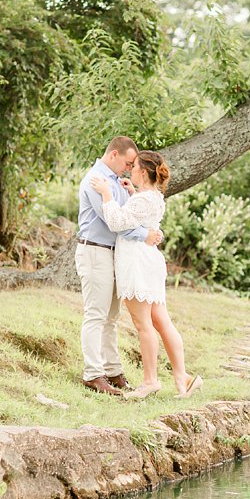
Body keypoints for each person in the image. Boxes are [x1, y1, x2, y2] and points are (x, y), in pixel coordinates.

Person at [88, 150, 202, 399]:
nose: (130, 170)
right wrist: (131, 193)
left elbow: (118, 223)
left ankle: (150, 381)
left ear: (142, 172)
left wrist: (107, 194)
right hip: (149, 261)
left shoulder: (142, 200)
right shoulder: (154, 197)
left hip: (136, 262)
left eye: (134, 166)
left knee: (143, 324)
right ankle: (182, 377)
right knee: (162, 321)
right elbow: (139, 221)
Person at [76, 136, 163, 396]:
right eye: (127, 163)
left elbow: (131, 215)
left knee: (112, 317)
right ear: (114, 154)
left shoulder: (116, 182)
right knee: (96, 314)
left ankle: (113, 371)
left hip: (115, 255)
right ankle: (93, 374)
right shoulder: (96, 180)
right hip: (95, 250)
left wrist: (150, 229)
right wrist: (145, 234)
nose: (129, 168)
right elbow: (114, 221)